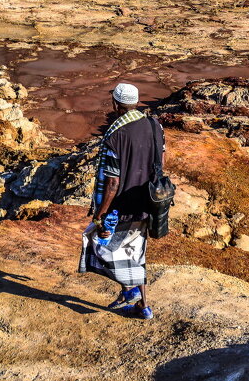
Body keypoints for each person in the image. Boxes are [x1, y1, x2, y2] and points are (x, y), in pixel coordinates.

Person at [79, 81, 164, 320]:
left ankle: (132, 291)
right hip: (148, 202)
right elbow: (161, 160)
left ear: (116, 104)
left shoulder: (115, 134)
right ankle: (139, 302)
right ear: (137, 102)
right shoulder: (154, 124)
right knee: (137, 253)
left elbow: (113, 182)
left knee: (95, 242)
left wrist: (101, 214)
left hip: (120, 207)